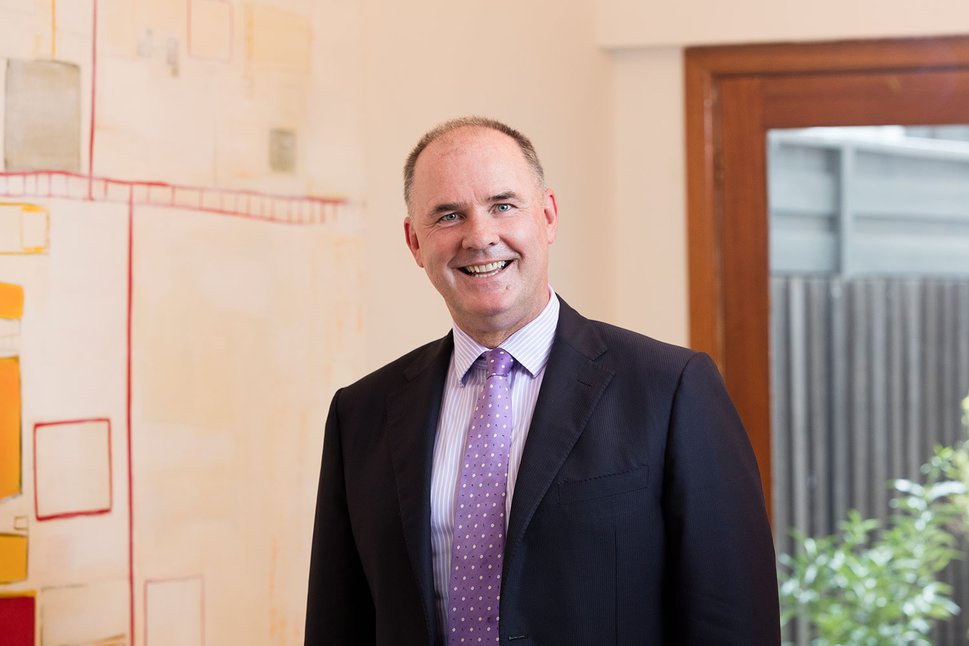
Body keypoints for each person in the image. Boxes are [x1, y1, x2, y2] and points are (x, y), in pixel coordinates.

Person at [304, 116, 780, 645]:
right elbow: (336, 624)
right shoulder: (360, 414)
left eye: (503, 206)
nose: (480, 237)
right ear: (415, 242)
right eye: (448, 216)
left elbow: (734, 622)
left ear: (548, 216)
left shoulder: (671, 390)